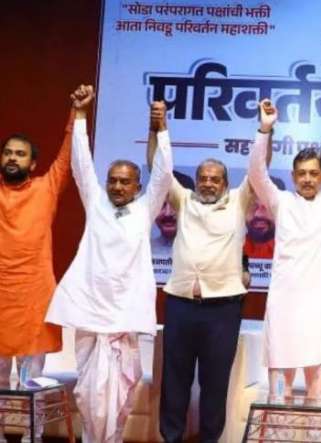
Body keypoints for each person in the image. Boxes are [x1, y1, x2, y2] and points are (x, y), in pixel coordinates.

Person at [45, 89, 173, 443]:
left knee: (120, 396)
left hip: (124, 318)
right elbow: (81, 164)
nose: (117, 186)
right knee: (90, 396)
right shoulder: (96, 203)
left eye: (125, 181)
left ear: (137, 186)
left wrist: (162, 128)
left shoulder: (145, 209)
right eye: (112, 180)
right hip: (90, 313)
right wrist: (80, 115)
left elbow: (164, 174)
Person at [154, 112, 253, 443]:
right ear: (196, 181)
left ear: (225, 184)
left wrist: (264, 129)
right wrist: (158, 128)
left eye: (215, 179)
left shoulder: (239, 202)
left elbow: (258, 169)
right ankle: (171, 438)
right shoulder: (183, 200)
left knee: (215, 383)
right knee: (174, 380)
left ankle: (210, 440)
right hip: (181, 305)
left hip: (223, 310)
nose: (208, 183)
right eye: (203, 178)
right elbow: (159, 167)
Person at [248, 98, 321, 398]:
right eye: (301, 173)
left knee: (319, 397)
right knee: (279, 397)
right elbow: (256, 175)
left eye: (313, 173)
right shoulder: (281, 202)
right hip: (284, 310)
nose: (307, 179)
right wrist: (265, 129)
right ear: (293, 177)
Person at [0, 88, 74, 443]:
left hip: (34, 299)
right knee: (0, 382)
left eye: (20, 154)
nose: (12, 158)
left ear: (32, 163)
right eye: (8, 152)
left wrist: (76, 113)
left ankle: (34, 438)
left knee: (31, 383)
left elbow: (66, 157)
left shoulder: (46, 187)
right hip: (1, 298)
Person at [243, 176, 285, 259]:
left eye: (267, 206)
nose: (258, 214)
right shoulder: (230, 248)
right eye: (253, 206)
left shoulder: (295, 249)